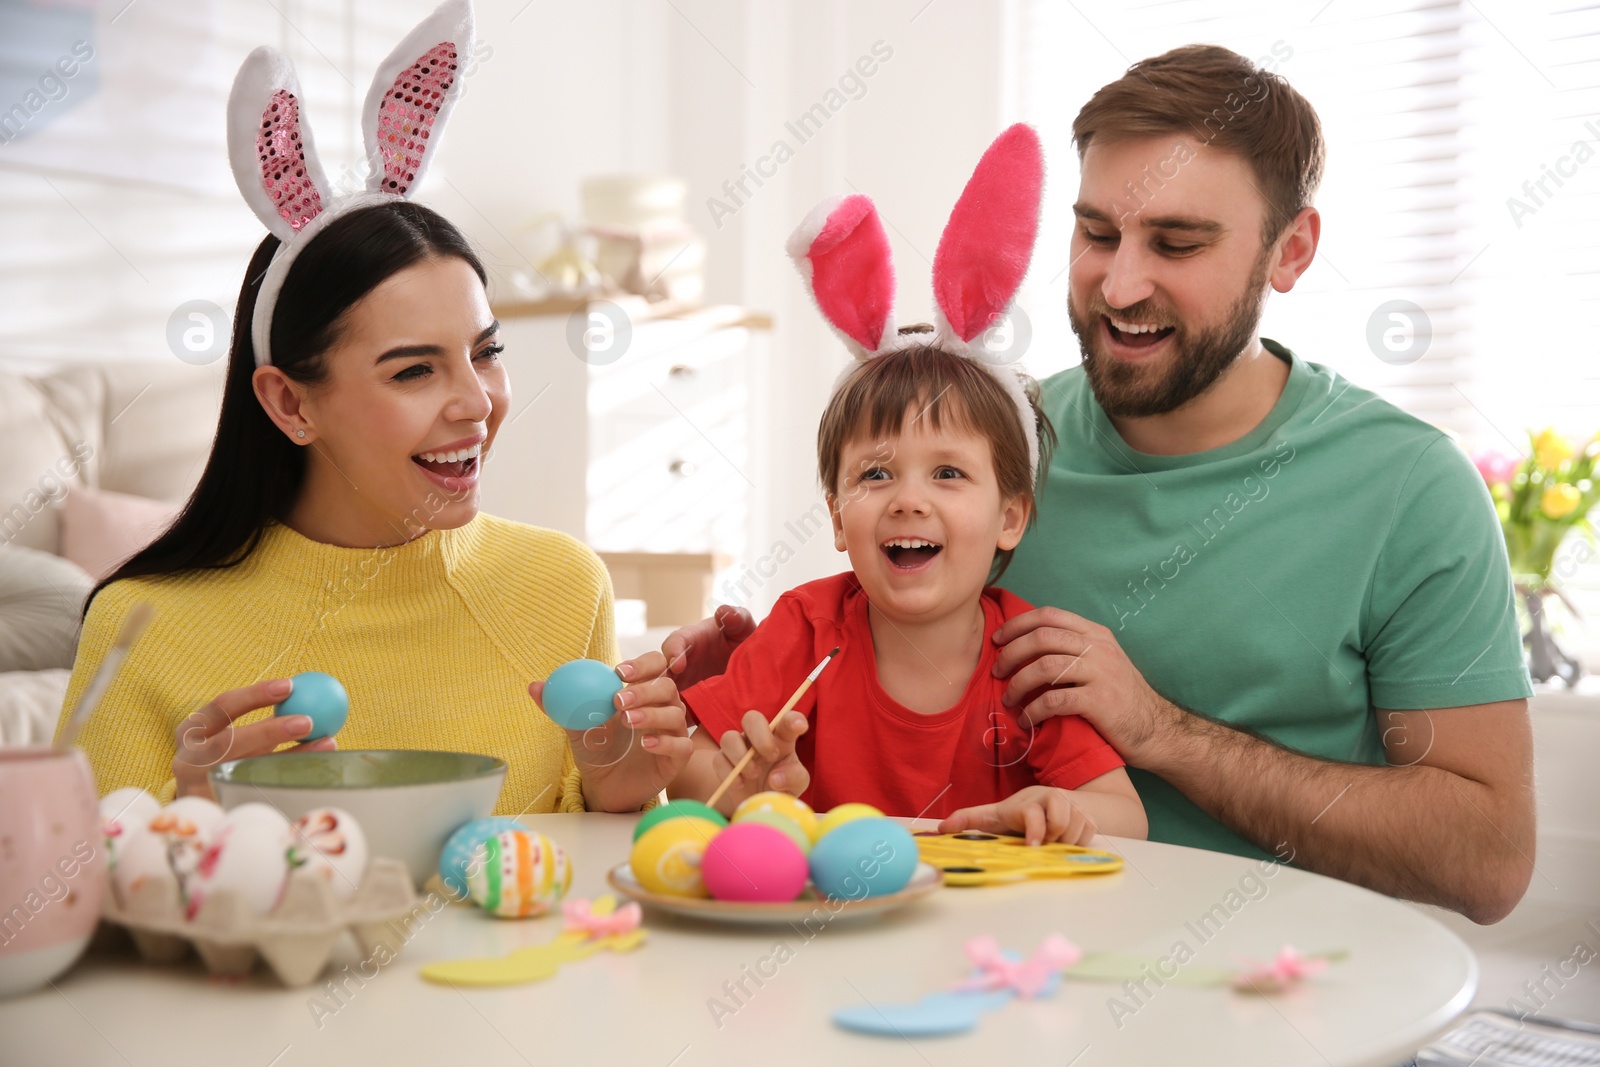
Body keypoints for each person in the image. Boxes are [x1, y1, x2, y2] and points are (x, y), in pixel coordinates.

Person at [666, 46, 1535, 924]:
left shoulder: (1410, 489)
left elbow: (1489, 861)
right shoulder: (994, 445)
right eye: (1097, 234)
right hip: (1012, 978)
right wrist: (738, 681)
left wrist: (1163, 732)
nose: (1120, 285)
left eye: (1178, 242)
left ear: (1291, 250)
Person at [55, 1, 801, 817]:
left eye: (486, 351)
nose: (477, 402)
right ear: (289, 402)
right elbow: (67, 901)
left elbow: (590, 879)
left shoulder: (561, 587)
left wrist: (647, 775)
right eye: (414, 371)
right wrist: (187, 815)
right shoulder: (144, 627)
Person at [671, 127, 1146, 845]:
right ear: (836, 515)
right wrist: (740, 789)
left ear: (1011, 515)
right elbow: (688, 772)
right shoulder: (804, 629)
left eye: (948, 473)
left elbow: (1126, 819)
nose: (908, 499)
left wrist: (1054, 811)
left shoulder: (1026, 665)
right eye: (875, 474)